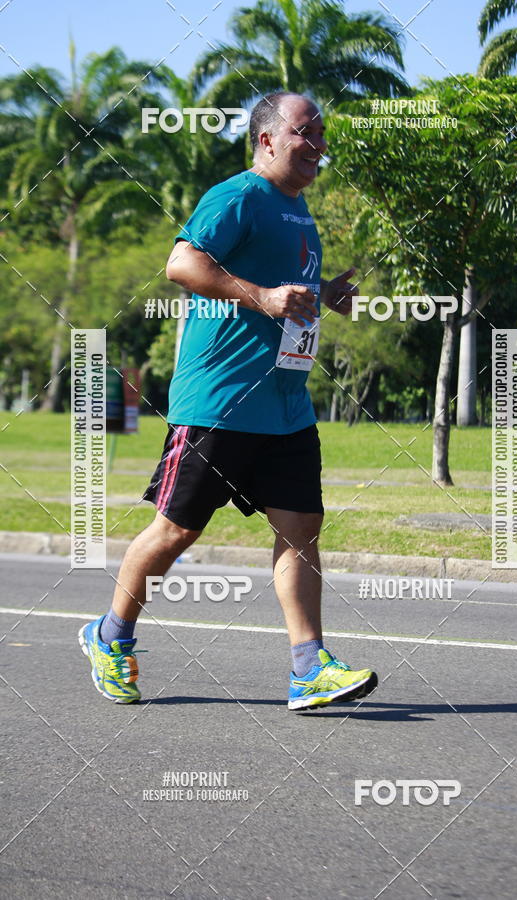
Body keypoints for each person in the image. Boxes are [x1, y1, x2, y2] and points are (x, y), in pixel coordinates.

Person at [79, 91, 378, 710]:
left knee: (300, 530)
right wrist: (263, 297)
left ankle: (308, 667)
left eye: (321, 133)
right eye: (305, 132)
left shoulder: (299, 212)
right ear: (268, 139)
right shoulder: (237, 195)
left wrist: (322, 294)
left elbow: (284, 292)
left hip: (287, 405)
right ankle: (110, 636)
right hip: (220, 402)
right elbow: (181, 263)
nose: (318, 144)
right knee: (174, 532)